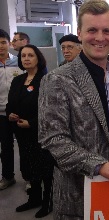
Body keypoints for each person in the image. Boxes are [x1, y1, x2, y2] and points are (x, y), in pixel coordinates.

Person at [38, 0, 109, 219]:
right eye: (92, 30)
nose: (100, 37)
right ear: (79, 33)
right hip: (78, 196)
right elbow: (53, 139)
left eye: (107, 30)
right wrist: (98, 165)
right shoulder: (57, 79)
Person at [7, 44, 54, 218]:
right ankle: (34, 198)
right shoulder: (17, 80)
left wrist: (32, 123)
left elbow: (51, 110)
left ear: (38, 59)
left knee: (45, 169)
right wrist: (10, 113)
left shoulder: (47, 80)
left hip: (41, 133)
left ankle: (48, 202)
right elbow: (10, 103)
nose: (26, 58)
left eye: (30, 55)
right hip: (22, 133)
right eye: (23, 56)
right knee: (29, 167)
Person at [0, 29, 23, 190]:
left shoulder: (19, 62)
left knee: (26, 146)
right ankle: (8, 177)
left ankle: (31, 177)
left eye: (3, 42)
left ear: (9, 44)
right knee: (6, 147)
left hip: (21, 113)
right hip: (1, 115)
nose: (0, 46)